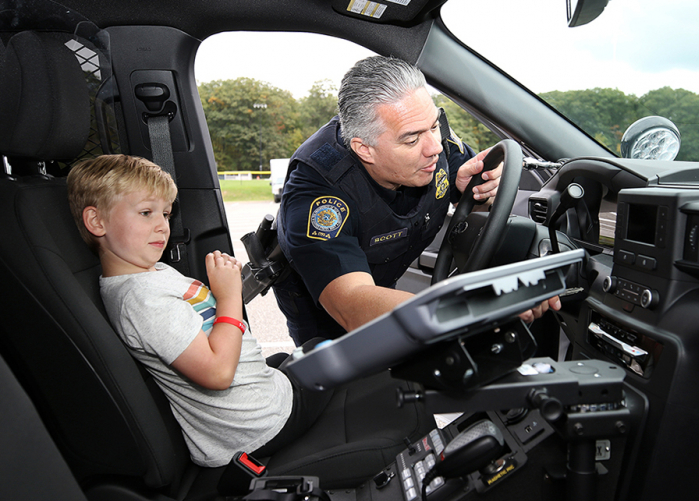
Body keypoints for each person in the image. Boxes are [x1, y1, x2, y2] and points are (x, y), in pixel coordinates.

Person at [66, 154, 334, 467]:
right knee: (323, 349)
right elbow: (218, 374)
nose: (161, 226)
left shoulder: (150, 273)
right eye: (145, 212)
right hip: (256, 427)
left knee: (301, 354)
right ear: (97, 222)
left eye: (165, 214)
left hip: (246, 401)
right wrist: (229, 295)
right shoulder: (143, 300)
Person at [274, 56, 559, 347]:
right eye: (411, 140)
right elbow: (353, 303)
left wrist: (473, 189)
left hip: (386, 280)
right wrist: (474, 307)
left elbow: (478, 192)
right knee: (338, 373)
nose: (435, 148)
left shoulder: (424, 131)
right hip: (325, 304)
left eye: (434, 126)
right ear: (365, 149)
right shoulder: (318, 191)